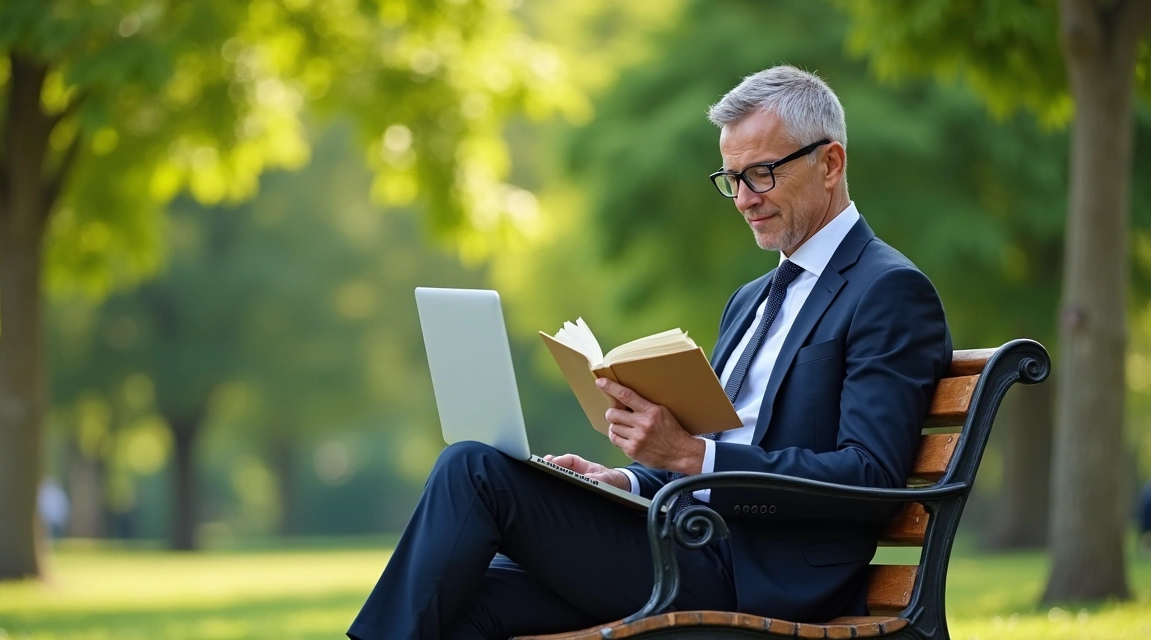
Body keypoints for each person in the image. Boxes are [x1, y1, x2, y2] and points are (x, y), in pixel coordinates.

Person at [348, 66, 952, 640]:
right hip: (682, 540)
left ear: (830, 163)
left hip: (763, 577)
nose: (744, 199)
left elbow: (868, 475)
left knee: (475, 470)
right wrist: (627, 480)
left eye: (761, 174)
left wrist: (691, 456)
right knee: (464, 602)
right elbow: (713, 447)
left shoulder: (887, 291)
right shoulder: (751, 299)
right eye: (732, 180)